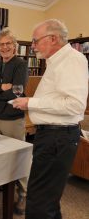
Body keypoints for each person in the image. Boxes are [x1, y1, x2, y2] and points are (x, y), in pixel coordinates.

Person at [13, 19, 88, 219]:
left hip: (57, 138)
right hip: (52, 137)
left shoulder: (72, 60)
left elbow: (75, 105)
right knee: (46, 199)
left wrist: (31, 103)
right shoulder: (56, 61)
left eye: (36, 40)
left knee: (40, 201)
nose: (34, 45)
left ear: (53, 38)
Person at [0, 28, 29, 215]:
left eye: (8, 43)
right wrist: (1, 87)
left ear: (14, 46)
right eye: (1, 44)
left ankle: (24, 194)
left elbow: (17, 91)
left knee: (19, 157)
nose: (5, 47)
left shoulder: (21, 65)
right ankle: (1, 185)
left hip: (12, 119)